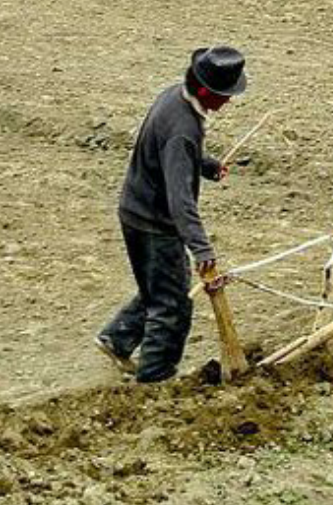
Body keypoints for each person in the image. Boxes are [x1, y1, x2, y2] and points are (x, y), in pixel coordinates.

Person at [96, 45, 247, 382]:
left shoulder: (173, 97)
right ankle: (155, 380)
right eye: (225, 94)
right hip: (156, 224)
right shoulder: (184, 129)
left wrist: (206, 165)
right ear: (206, 92)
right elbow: (180, 199)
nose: (229, 101)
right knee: (173, 306)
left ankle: (117, 339)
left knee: (159, 287)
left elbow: (170, 151)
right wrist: (201, 248)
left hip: (134, 211)